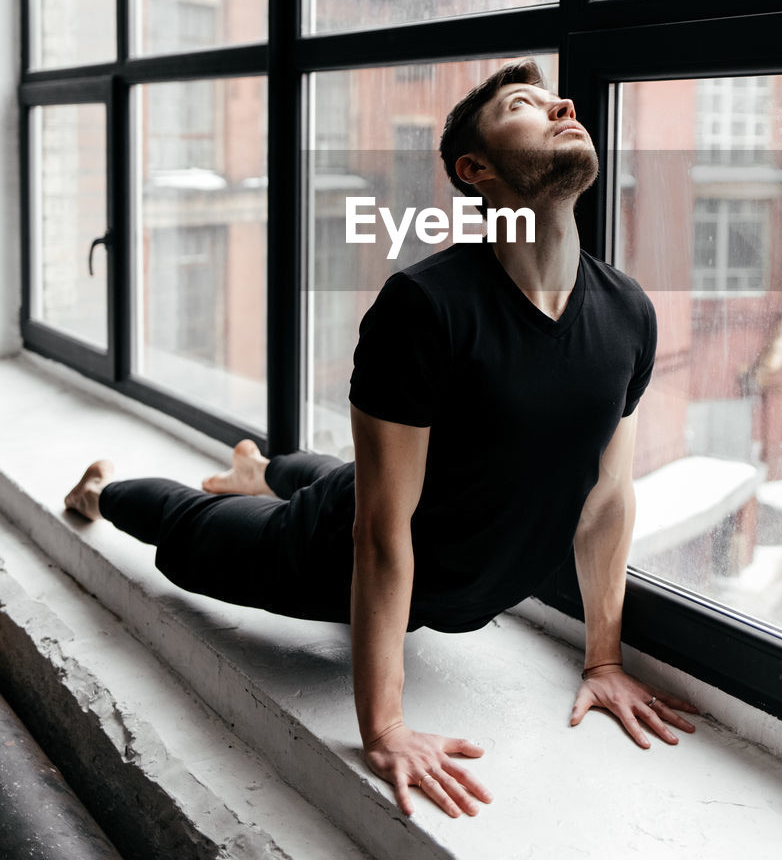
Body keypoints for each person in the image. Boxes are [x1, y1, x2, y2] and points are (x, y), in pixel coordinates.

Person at [64, 59, 698, 821]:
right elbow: (377, 532)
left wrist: (603, 660)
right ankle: (99, 491)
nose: (564, 102)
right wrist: (385, 726)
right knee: (199, 532)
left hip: (401, 529)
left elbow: (605, 502)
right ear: (476, 169)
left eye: (554, 97)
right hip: (332, 553)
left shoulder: (626, 310)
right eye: (525, 106)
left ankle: (257, 468)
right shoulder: (424, 306)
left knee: (351, 476)